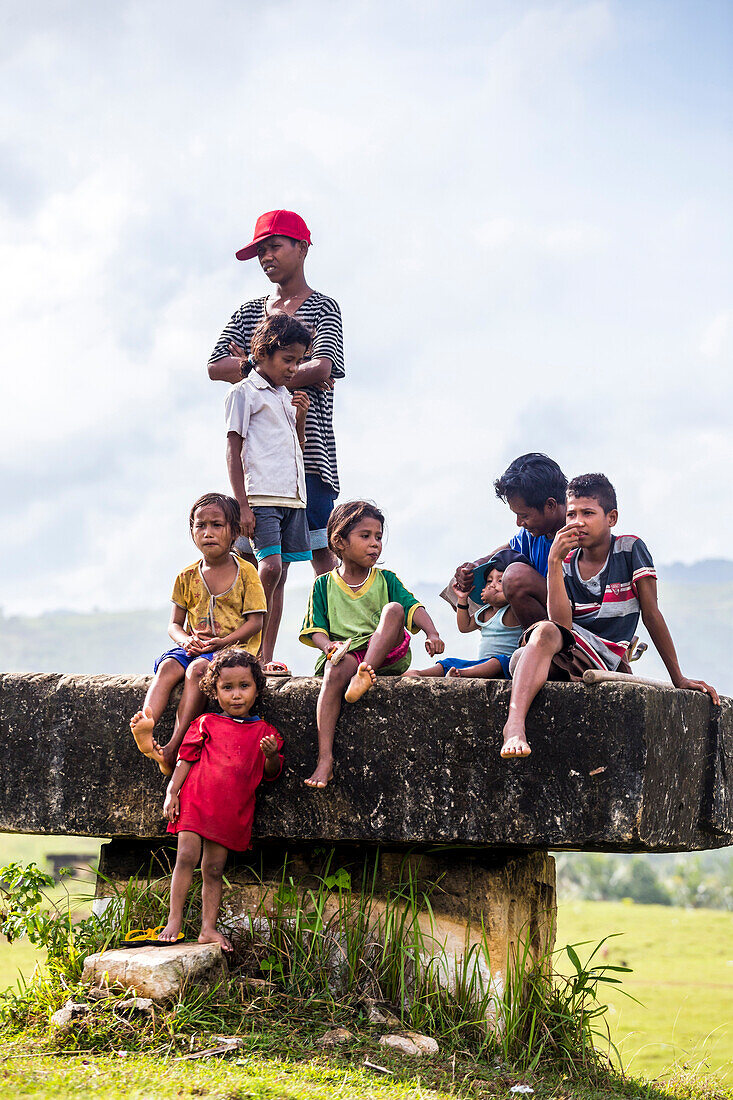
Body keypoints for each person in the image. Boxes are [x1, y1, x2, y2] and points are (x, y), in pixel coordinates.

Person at [501, 473, 720, 760]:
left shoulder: (629, 550)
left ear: (611, 518)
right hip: (574, 651)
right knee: (523, 658)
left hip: (609, 656)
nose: (578, 521)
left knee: (535, 645)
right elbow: (562, 626)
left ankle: (514, 726)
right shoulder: (567, 559)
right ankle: (514, 726)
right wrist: (554, 562)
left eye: (588, 513)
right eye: (571, 514)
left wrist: (677, 677)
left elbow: (652, 614)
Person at [208, 209, 344, 577]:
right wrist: (262, 367)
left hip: (309, 453)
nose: (266, 257)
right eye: (261, 251)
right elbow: (214, 366)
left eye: (274, 247)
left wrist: (254, 370)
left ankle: (333, 630)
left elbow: (323, 367)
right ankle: (247, 634)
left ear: (302, 248)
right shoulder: (248, 311)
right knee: (252, 555)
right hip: (256, 462)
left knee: (322, 550)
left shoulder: (323, 307)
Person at [299, 501, 444, 789]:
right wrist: (328, 646)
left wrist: (432, 632)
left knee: (393, 610)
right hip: (348, 652)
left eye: (378, 537)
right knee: (334, 673)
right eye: (365, 536)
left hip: (385, 652)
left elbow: (413, 607)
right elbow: (314, 629)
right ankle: (325, 758)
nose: (374, 544)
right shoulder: (323, 585)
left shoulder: (386, 579)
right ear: (339, 541)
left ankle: (366, 672)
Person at [130, 493, 266, 775]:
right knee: (168, 666)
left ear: (234, 533)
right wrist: (185, 641)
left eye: (217, 525)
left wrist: (224, 642)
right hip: (195, 644)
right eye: (200, 525)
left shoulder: (247, 573)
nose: (208, 533)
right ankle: (146, 722)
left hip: (233, 648)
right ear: (191, 531)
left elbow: (255, 622)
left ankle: (172, 748)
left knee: (197, 671)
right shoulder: (186, 576)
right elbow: (174, 625)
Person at [159, 648, 283, 951]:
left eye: (244, 686)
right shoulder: (205, 724)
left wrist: (270, 756)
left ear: (257, 688)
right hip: (195, 802)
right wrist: (172, 792)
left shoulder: (265, 732)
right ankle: (174, 920)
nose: (236, 695)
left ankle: (207, 929)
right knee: (185, 858)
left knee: (214, 870)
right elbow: (185, 760)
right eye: (227, 688)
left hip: (231, 811)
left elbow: (272, 773)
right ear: (214, 691)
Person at [225, 313, 312, 670]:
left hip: (292, 497)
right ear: (262, 353)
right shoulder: (244, 393)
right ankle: (245, 651)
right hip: (261, 497)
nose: (294, 369)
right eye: (288, 360)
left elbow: (295, 448)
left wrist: (301, 419)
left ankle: (264, 658)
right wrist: (241, 506)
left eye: (299, 361)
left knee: (281, 576)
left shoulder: (284, 396)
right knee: (270, 568)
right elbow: (233, 449)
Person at [454, 453, 568, 627]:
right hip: (544, 613)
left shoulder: (577, 534)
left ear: (550, 505)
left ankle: (540, 645)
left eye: (524, 516)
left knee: (514, 577)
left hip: (571, 620)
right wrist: (474, 567)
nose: (519, 523)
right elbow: (506, 550)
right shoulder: (532, 534)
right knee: (465, 582)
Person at [405, 562, 523, 679]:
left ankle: (462, 674)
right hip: (481, 666)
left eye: (500, 581)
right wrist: (462, 598)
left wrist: (494, 595)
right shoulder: (485, 612)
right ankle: (420, 673)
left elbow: (513, 596)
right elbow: (464, 627)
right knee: (450, 662)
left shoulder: (511, 611)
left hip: (506, 667)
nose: (492, 585)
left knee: (498, 661)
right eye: (489, 581)